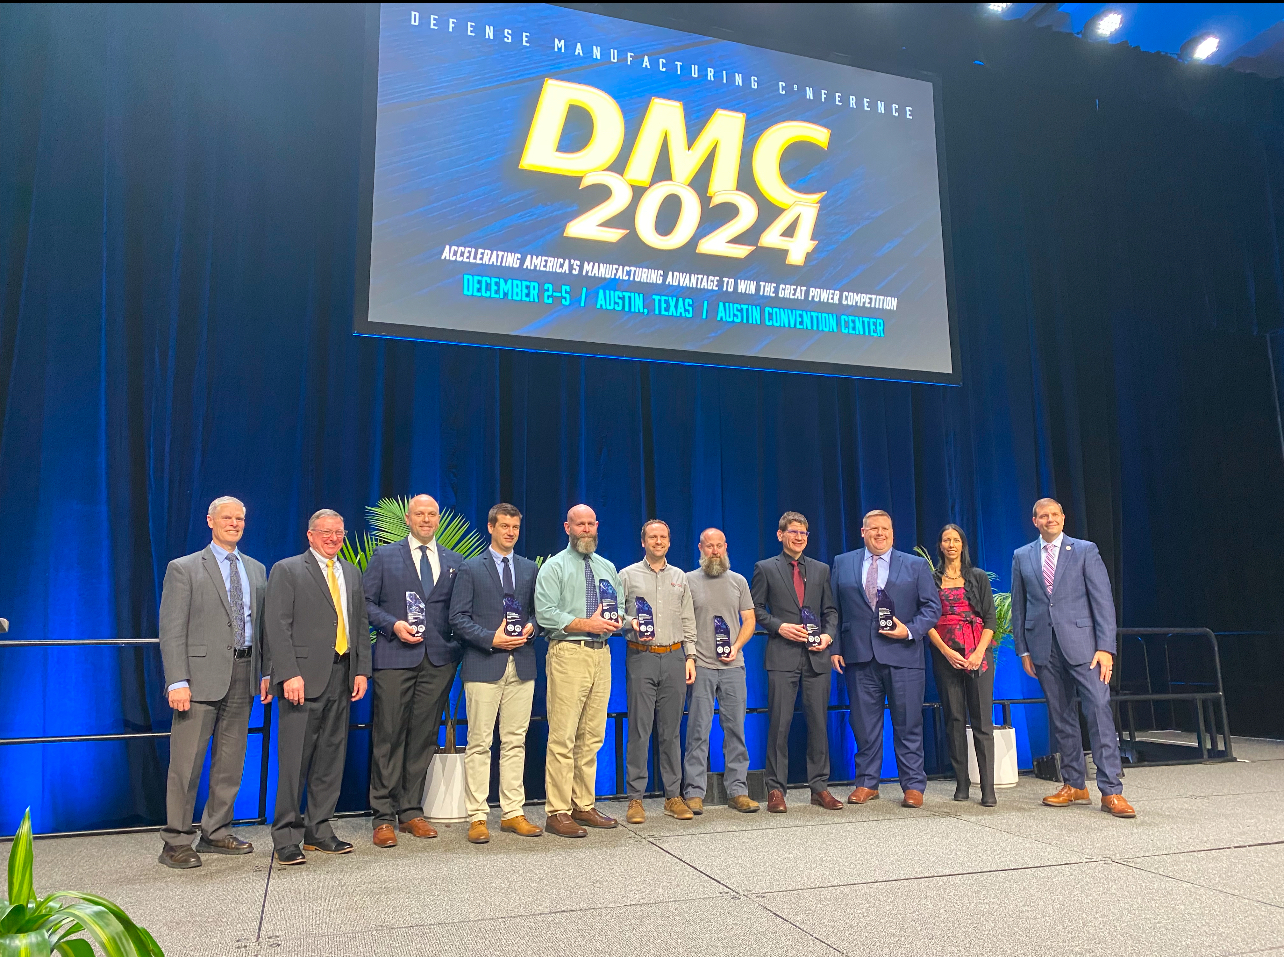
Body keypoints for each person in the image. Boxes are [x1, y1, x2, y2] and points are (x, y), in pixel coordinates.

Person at [157, 496, 272, 869]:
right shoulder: (185, 568)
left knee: (231, 762)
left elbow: (262, 628)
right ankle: (176, 841)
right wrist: (177, 680)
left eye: (240, 518)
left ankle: (216, 830)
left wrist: (266, 672)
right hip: (198, 679)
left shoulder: (256, 569)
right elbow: (171, 630)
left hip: (244, 675)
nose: (235, 523)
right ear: (210, 520)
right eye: (227, 517)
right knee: (187, 764)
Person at [1012, 498, 1135, 818]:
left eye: (1055, 514)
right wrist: (1023, 649)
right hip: (1043, 647)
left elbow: (1103, 602)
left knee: (1097, 711)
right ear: (1034, 520)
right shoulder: (1022, 555)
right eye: (1043, 516)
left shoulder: (1085, 550)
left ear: (1063, 518)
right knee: (1061, 716)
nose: (1049, 519)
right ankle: (1074, 783)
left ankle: (1111, 790)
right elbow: (1019, 606)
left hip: (1085, 647)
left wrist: (1106, 647)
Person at [265, 509, 371, 864]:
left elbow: (359, 625)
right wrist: (287, 672)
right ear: (310, 535)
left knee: (331, 757)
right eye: (325, 532)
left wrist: (361, 670)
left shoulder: (351, 572)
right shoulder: (287, 569)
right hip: (301, 679)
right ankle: (286, 836)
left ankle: (319, 829)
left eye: (339, 533)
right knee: (294, 760)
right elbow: (276, 626)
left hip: (342, 675)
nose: (333, 538)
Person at [363, 494, 464, 848]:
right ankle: (382, 816)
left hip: (437, 662)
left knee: (422, 737)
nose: (426, 519)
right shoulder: (385, 556)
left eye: (432, 514)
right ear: (407, 518)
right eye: (419, 514)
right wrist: (393, 625)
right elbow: (365, 604)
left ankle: (410, 811)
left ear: (438, 519)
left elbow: (459, 612)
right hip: (394, 657)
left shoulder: (454, 561)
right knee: (388, 735)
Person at [831, 510, 941, 808]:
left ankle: (913, 786)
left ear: (892, 533)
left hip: (904, 656)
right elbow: (833, 610)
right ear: (862, 531)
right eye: (873, 528)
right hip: (859, 656)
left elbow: (932, 608)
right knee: (864, 726)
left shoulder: (916, 565)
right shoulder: (842, 563)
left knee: (908, 724)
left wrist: (909, 630)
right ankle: (867, 783)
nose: (880, 533)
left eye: (885, 529)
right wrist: (836, 647)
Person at [448, 503, 543, 844]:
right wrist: (491, 638)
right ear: (491, 527)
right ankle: (477, 816)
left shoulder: (530, 569)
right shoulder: (470, 568)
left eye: (515, 527)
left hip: (522, 664)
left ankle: (513, 812)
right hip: (483, 664)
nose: (510, 532)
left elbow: (537, 614)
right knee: (479, 742)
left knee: (516, 741)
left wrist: (530, 630)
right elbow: (457, 619)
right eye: (504, 526)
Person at [534, 504, 623, 837]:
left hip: (602, 654)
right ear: (567, 527)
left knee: (592, 736)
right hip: (569, 652)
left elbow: (621, 610)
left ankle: (583, 805)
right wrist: (588, 623)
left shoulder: (606, 567)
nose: (585, 529)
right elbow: (545, 614)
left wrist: (625, 624)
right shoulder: (554, 567)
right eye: (579, 524)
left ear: (597, 526)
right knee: (563, 736)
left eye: (590, 524)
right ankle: (557, 811)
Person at [751, 511, 842, 814]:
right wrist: (779, 626)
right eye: (793, 532)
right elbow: (755, 610)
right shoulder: (765, 568)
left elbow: (831, 610)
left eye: (804, 533)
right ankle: (776, 790)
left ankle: (820, 788)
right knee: (779, 725)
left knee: (819, 723)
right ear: (780, 535)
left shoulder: (820, 569)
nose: (799, 537)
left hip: (817, 657)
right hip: (782, 656)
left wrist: (829, 636)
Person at [618, 520, 697, 824]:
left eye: (663, 536)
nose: (659, 541)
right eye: (653, 537)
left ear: (669, 541)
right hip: (642, 657)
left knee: (671, 731)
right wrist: (629, 623)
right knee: (639, 729)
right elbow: (615, 612)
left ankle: (672, 796)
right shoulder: (627, 575)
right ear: (643, 542)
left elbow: (688, 618)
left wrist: (690, 657)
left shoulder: (679, 577)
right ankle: (635, 798)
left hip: (675, 657)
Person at [683, 527, 759, 814]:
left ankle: (738, 791)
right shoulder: (687, 581)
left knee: (736, 730)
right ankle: (694, 793)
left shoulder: (738, 581)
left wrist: (737, 646)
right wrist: (689, 657)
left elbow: (749, 620)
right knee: (698, 731)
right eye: (709, 546)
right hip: (701, 666)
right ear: (700, 548)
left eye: (719, 546)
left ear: (726, 547)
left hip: (733, 668)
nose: (714, 551)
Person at [925, 524, 998, 807]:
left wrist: (979, 653)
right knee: (954, 719)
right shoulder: (931, 579)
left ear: (963, 545)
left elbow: (990, 620)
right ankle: (961, 783)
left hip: (978, 654)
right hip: (946, 656)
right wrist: (945, 651)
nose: (951, 544)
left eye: (956, 540)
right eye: (946, 540)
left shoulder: (978, 577)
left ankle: (988, 788)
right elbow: (926, 620)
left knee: (982, 722)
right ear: (940, 545)